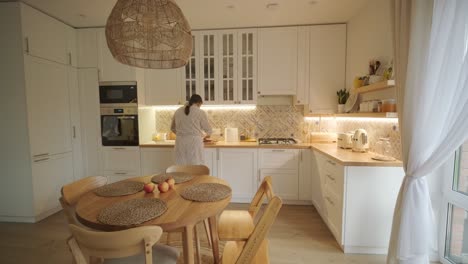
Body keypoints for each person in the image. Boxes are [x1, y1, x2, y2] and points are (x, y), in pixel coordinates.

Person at [171, 94, 212, 165]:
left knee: (181, 167)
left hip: (180, 143)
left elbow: (172, 128)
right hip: (195, 143)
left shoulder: (178, 111)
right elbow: (208, 130)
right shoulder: (200, 112)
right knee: (195, 167)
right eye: (200, 105)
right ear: (199, 103)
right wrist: (204, 136)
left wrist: (181, 134)